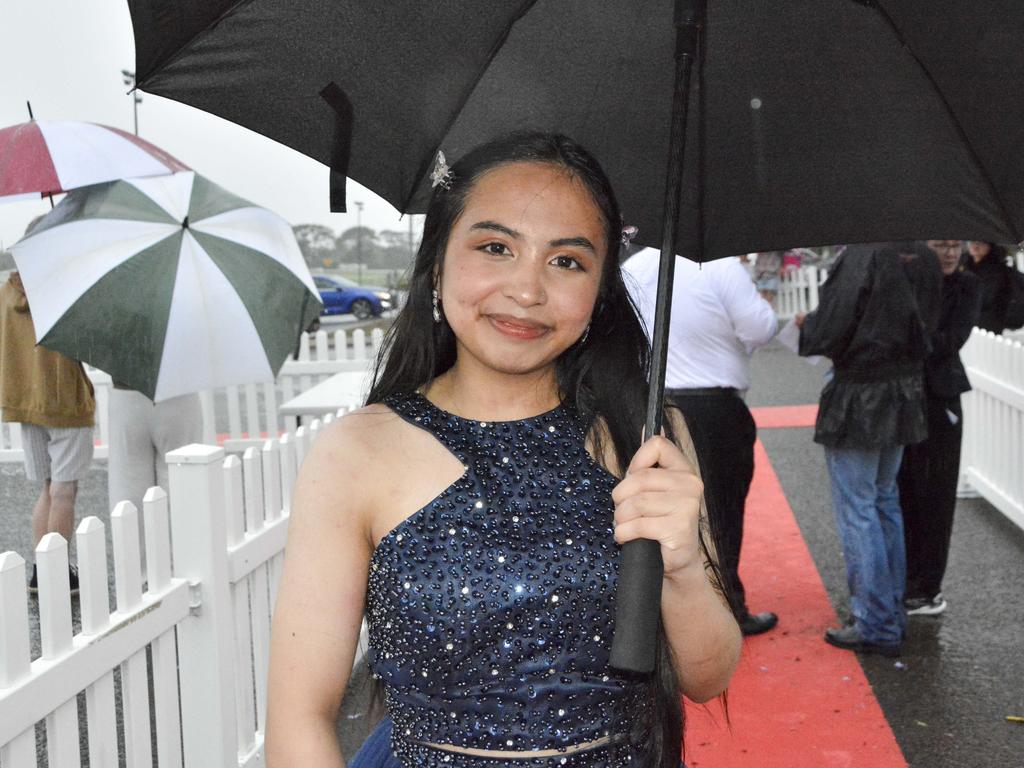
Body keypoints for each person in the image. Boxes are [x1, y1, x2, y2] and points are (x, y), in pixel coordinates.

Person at [265, 133, 741, 768]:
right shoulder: (358, 452)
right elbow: (298, 719)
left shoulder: (648, 437)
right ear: (438, 264)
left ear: (601, 290)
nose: (527, 289)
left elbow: (707, 678)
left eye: (567, 260)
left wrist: (681, 565)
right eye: (495, 248)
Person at [622, 248, 779, 635]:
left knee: (654, 512)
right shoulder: (721, 267)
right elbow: (760, 328)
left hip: (653, 404)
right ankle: (727, 606)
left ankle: (653, 613)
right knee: (723, 511)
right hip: (714, 407)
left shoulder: (633, 268)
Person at [795, 242, 941, 657]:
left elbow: (832, 327)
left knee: (860, 509)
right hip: (904, 389)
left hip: (861, 393)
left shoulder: (862, 254)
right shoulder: (924, 257)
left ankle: (876, 621)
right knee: (883, 501)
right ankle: (890, 612)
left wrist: (809, 328)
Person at [897, 241, 981, 617]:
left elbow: (949, 342)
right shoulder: (908, 280)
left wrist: (911, 334)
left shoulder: (967, 286)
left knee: (937, 495)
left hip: (942, 397)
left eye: (954, 246)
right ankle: (903, 578)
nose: (949, 253)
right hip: (905, 396)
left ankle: (927, 587)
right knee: (903, 491)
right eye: (940, 245)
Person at [0, 267, 95, 595]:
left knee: (47, 487)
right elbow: (86, 342)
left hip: (25, 400)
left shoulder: (6, 293)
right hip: (64, 399)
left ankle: (41, 571)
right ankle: (57, 573)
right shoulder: (60, 292)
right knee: (64, 491)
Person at [962, 242, 1021, 333]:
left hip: (987, 324)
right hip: (964, 322)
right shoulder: (963, 265)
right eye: (972, 241)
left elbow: (987, 297)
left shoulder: (997, 270)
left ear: (990, 246)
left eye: (981, 242)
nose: (976, 245)